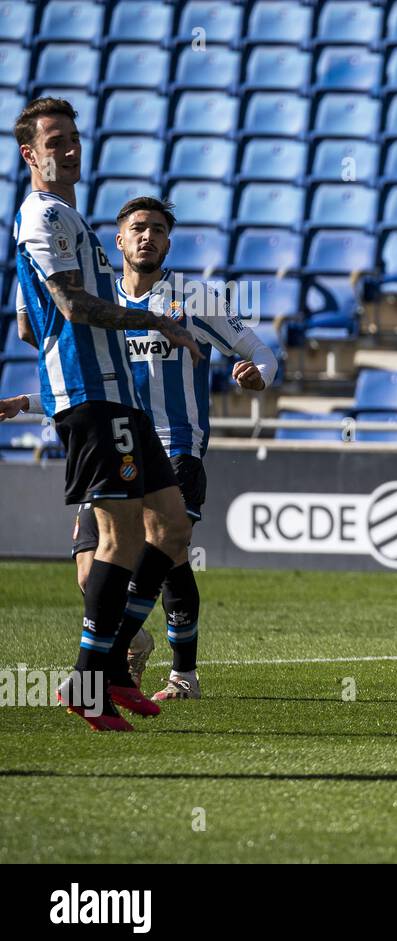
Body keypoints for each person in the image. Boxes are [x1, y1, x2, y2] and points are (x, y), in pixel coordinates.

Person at [2, 98, 200, 731]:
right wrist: (151, 319)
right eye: (54, 139)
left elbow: (29, 322)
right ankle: (90, 682)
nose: (69, 148)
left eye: (74, 137)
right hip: (91, 395)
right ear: (30, 154)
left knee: (169, 527)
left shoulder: (69, 216)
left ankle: (111, 667)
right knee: (118, 537)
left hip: (123, 397)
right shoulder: (39, 216)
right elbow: (71, 307)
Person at [68, 196, 279, 701]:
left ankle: (152, 670)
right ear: (119, 241)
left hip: (174, 448)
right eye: (138, 228)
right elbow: (80, 382)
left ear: (168, 242)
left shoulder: (193, 299)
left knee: (160, 552)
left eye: (159, 230)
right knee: (92, 567)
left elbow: (261, 350)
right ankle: (136, 643)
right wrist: (26, 403)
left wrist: (259, 376)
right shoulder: (97, 305)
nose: (148, 237)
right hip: (113, 447)